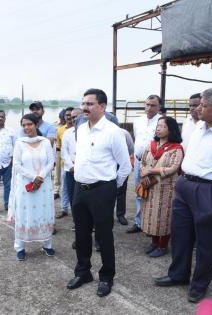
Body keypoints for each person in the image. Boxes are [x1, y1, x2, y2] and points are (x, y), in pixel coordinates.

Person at [154, 87, 212, 304]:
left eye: (203, 105)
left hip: (211, 191)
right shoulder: (199, 127)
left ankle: (199, 285)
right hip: (186, 186)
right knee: (180, 236)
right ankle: (178, 274)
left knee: (207, 243)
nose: (198, 108)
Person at [66, 89, 131, 297]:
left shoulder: (113, 132)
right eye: (83, 103)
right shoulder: (81, 128)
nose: (84, 107)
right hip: (80, 189)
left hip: (102, 190)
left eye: (90, 104)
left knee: (104, 236)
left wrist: (111, 188)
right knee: (81, 233)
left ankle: (106, 276)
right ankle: (83, 272)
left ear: (102, 107)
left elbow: (125, 166)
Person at [8, 113, 55, 261]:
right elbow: (16, 164)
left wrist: (40, 176)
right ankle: (20, 247)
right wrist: (34, 177)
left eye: (29, 124)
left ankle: (47, 244)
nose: (27, 127)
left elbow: (50, 161)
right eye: (24, 125)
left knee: (44, 211)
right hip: (25, 185)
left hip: (44, 184)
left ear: (36, 125)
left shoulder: (45, 142)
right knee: (24, 213)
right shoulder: (20, 143)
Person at [140, 116, 184, 258]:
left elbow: (173, 168)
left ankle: (163, 245)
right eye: (158, 126)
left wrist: (150, 171)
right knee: (151, 215)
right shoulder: (151, 144)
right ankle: (154, 242)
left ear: (170, 129)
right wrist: (144, 173)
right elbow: (143, 161)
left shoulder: (176, 148)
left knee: (164, 217)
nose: (158, 129)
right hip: (150, 186)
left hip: (166, 188)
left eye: (163, 126)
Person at [127, 95, 162, 234]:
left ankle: (151, 224)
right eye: (147, 104)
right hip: (138, 161)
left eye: (153, 105)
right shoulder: (138, 121)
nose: (149, 108)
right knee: (139, 191)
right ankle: (138, 222)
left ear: (159, 107)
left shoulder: (162, 121)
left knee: (153, 193)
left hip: (154, 164)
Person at [56, 107, 74, 219]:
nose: (69, 117)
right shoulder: (60, 130)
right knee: (64, 187)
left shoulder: (82, 129)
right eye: (67, 115)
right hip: (64, 164)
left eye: (71, 115)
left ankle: (76, 212)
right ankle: (64, 209)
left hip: (79, 166)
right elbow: (60, 147)